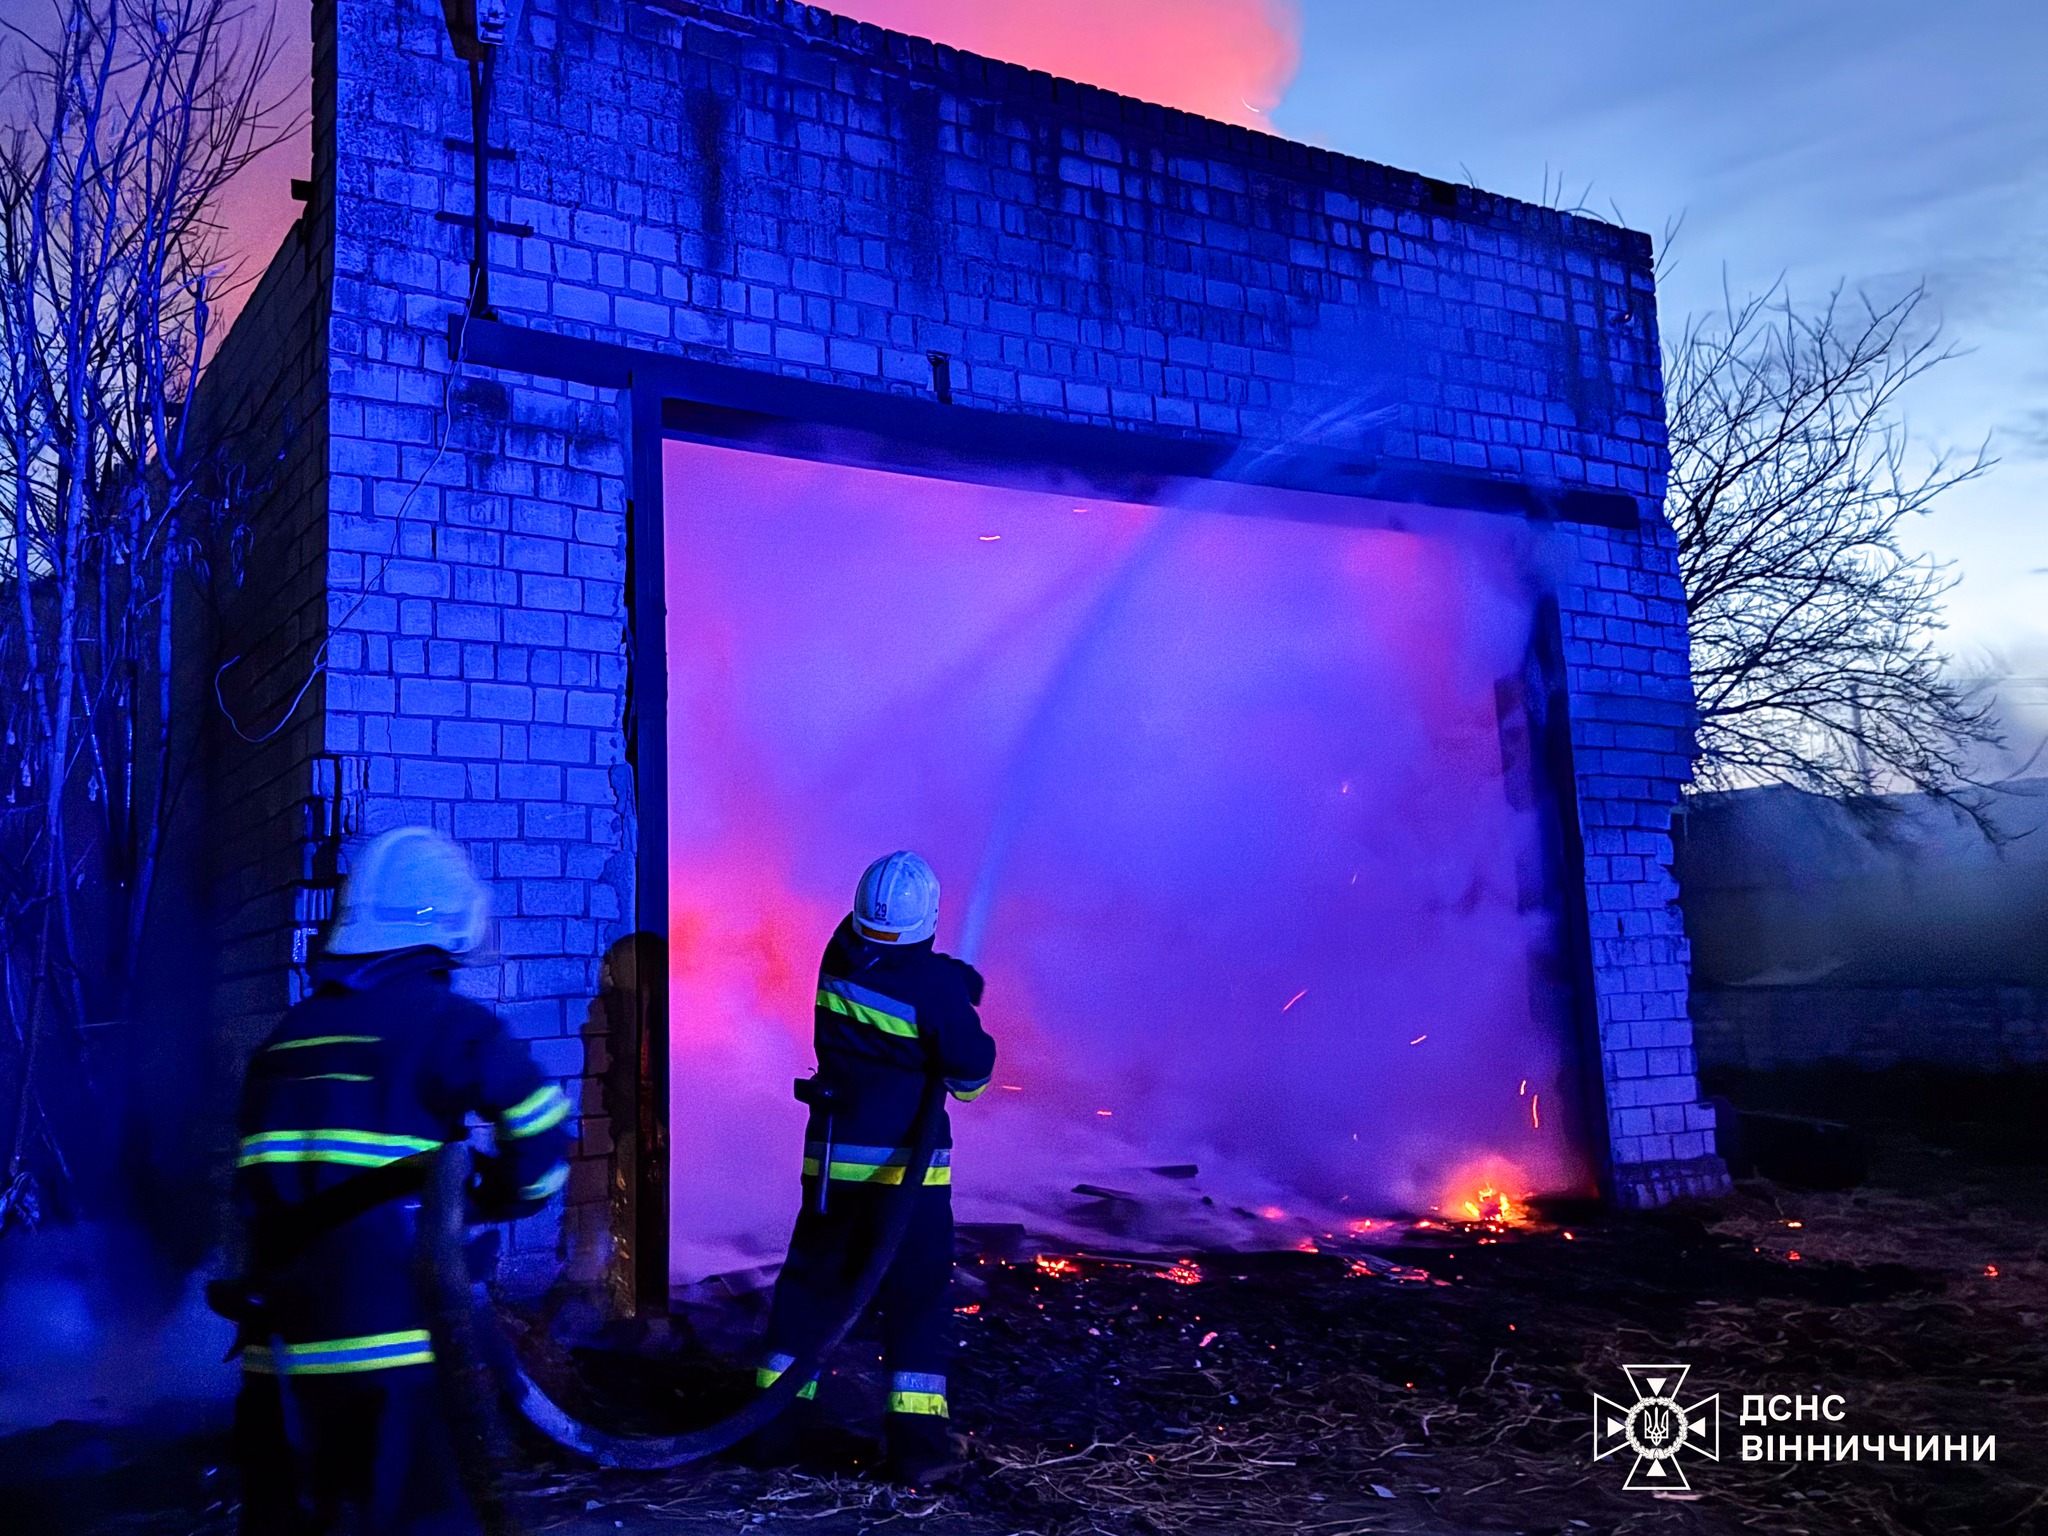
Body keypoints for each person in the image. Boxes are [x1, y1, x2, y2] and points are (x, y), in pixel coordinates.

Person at [225, 826, 573, 1535]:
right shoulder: (446, 1024)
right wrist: (488, 1198)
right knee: (422, 1517)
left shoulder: (283, 1040)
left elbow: (247, 1201)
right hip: (394, 1344)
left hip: (279, 1355)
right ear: (447, 926)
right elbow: (540, 1140)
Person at [754, 851, 996, 1487]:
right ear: (931, 922)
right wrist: (957, 996)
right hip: (905, 1184)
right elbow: (971, 1076)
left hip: (831, 1166)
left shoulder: (838, 953)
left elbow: (894, 970)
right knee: (916, 1305)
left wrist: (945, 981)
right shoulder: (934, 990)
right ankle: (918, 1451)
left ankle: (771, 1429)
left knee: (808, 1290)